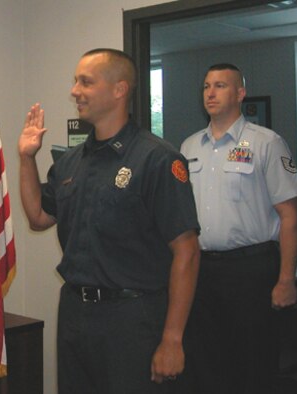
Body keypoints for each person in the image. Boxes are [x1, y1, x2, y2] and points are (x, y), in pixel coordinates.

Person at [18, 48, 200, 393]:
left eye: (86, 82)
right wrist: (28, 159)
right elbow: (39, 217)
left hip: (132, 317)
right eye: (75, 82)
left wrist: (172, 339)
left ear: (119, 90)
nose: (74, 91)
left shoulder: (157, 159)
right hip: (75, 312)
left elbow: (187, 251)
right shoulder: (71, 162)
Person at [180, 63, 297, 394]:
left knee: (253, 362)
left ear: (240, 93)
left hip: (251, 270)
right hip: (202, 269)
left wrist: (286, 279)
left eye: (220, 85)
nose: (210, 93)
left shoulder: (267, 143)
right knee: (205, 361)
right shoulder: (188, 148)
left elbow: (291, 215)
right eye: (206, 86)